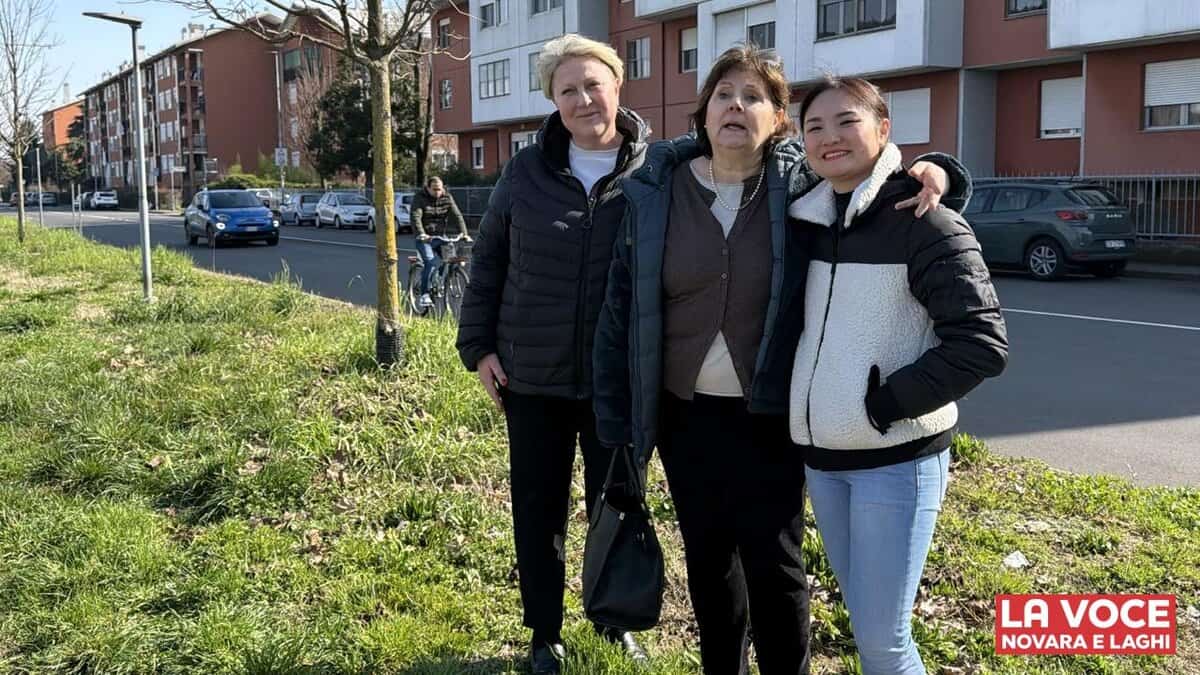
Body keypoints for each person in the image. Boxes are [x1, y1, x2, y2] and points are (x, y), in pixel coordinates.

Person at [592, 46, 972, 675]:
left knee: (774, 562)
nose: (735, 107)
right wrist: (615, 417)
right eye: (723, 95)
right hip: (682, 413)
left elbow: (876, 182)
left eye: (753, 97)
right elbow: (619, 313)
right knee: (708, 558)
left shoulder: (802, 187)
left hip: (770, 409)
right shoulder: (654, 195)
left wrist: (939, 172)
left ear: (778, 120)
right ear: (703, 112)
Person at [786, 76, 1008, 675]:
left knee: (884, 641)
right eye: (814, 126)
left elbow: (980, 345)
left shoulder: (925, 222)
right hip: (826, 465)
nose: (829, 137)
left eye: (846, 121)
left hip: (897, 461)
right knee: (864, 620)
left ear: (884, 130)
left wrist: (882, 406)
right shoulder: (807, 219)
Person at [455, 34, 651, 675]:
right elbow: (489, 260)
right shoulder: (525, 170)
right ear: (553, 101)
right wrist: (477, 346)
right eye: (567, 89)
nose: (583, 98)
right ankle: (544, 632)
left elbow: (763, 152)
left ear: (618, 86)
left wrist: (927, 170)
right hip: (531, 378)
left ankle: (611, 617)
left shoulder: (657, 169)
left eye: (593, 84)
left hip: (614, 379)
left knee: (613, 504)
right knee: (538, 511)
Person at [411, 176, 470, 309]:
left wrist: (464, 234)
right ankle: (424, 295)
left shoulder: (447, 198)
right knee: (430, 263)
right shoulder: (420, 198)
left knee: (450, 258)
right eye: (435, 189)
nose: (438, 192)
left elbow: (457, 216)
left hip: (440, 236)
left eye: (440, 189)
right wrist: (421, 234)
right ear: (428, 188)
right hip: (424, 237)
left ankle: (439, 280)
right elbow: (416, 217)